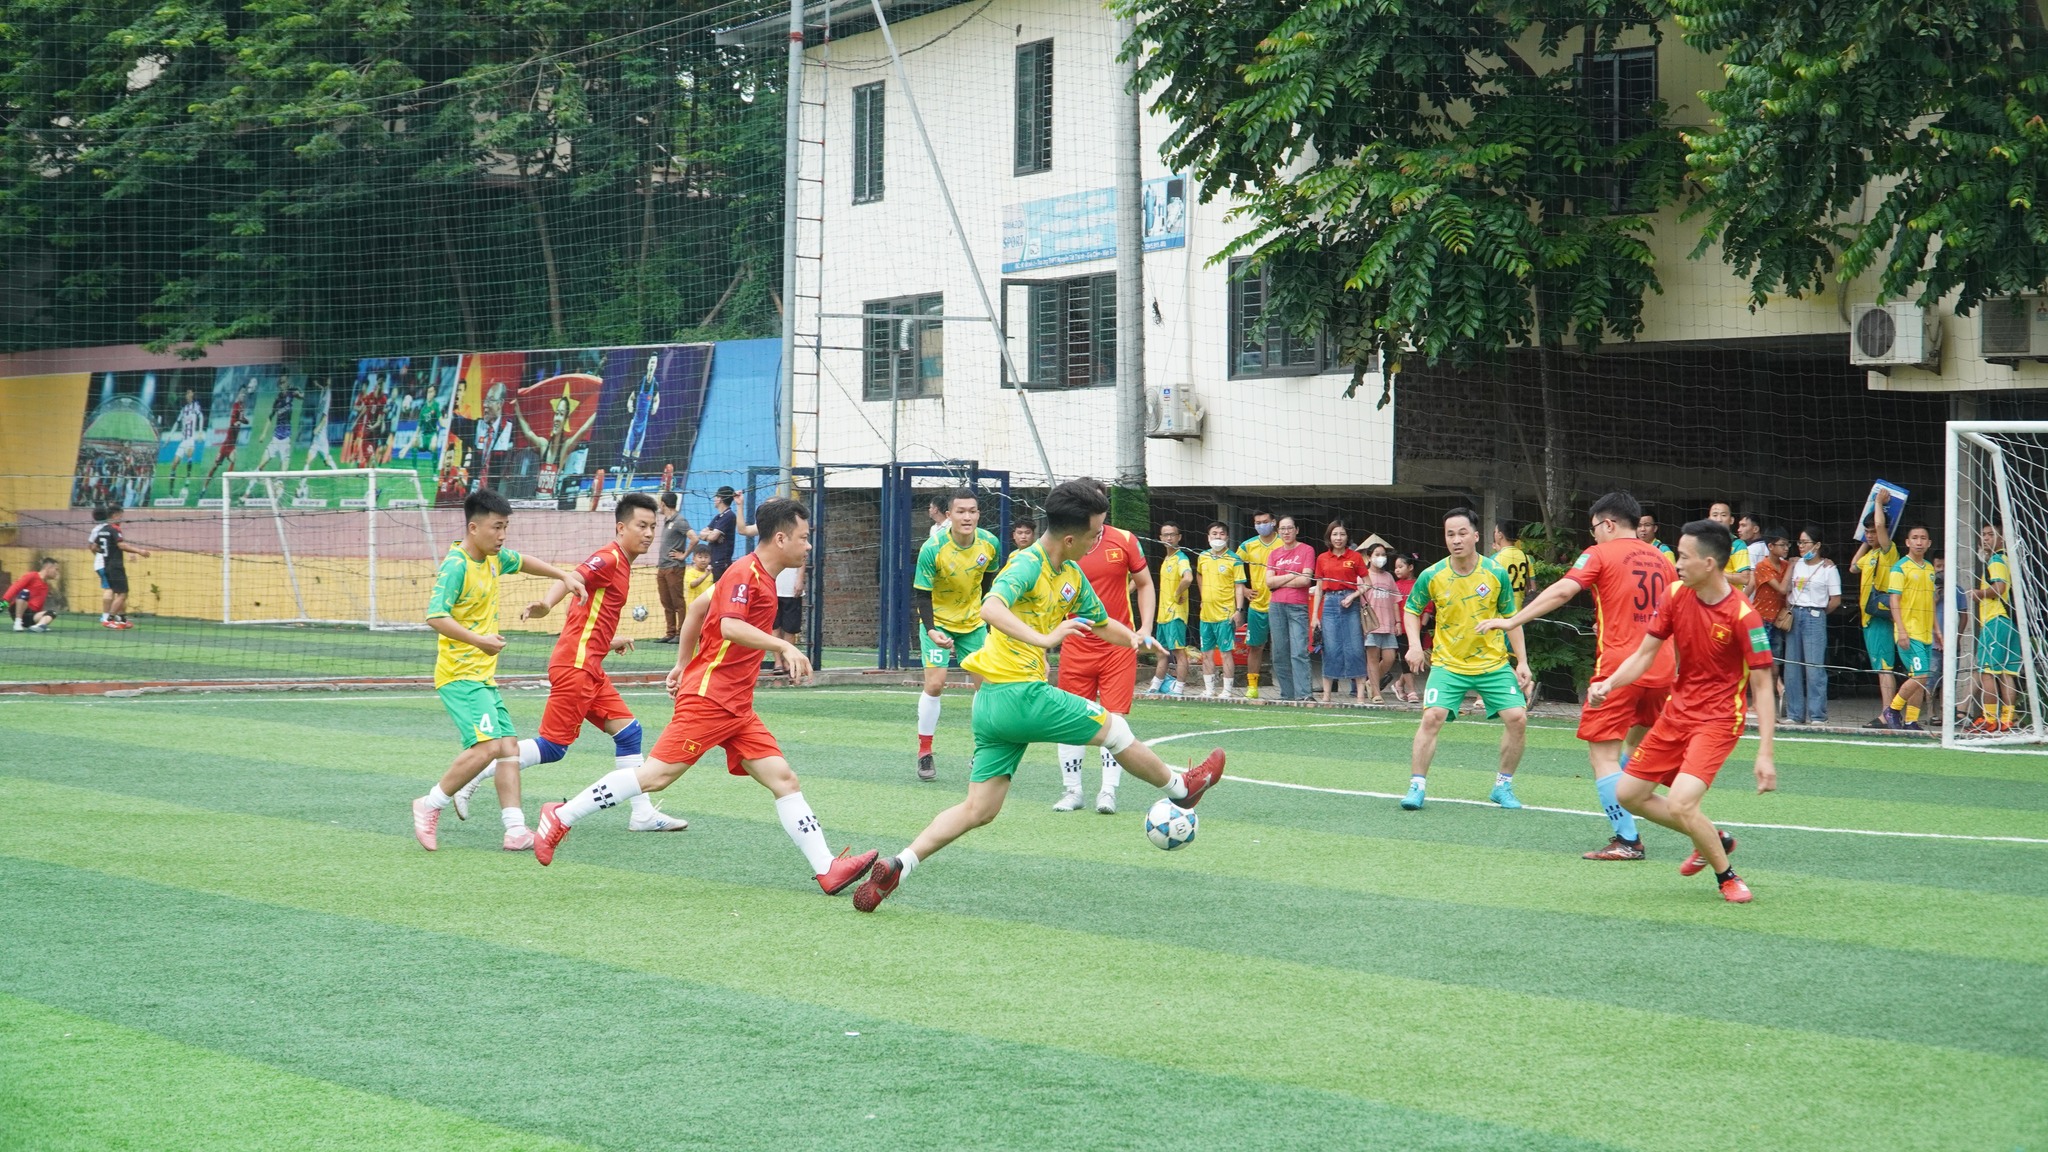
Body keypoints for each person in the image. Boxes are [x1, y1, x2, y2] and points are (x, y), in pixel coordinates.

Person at [850, 479, 1226, 913]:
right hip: (1018, 694)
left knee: (979, 809)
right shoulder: (1025, 564)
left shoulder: (1070, 574)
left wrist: (1139, 639)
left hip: (992, 705)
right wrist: (1045, 638)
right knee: (1115, 727)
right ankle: (1182, 788)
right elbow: (990, 608)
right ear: (1071, 537)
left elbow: (1101, 622)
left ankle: (899, 865)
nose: (1099, 538)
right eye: (1095, 532)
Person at [533, 498, 881, 897]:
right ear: (781, 537)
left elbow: (698, 609)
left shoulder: (757, 575)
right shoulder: (744, 573)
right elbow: (730, 626)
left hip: (736, 706)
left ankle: (827, 868)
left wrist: (682, 664)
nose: (807, 546)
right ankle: (560, 814)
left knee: (785, 779)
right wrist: (782, 647)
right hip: (710, 699)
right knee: (656, 777)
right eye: (804, 538)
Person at [453, 494, 689, 835]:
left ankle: (642, 814)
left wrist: (609, 641)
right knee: (552, 747)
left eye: (653, 526)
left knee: (629, 733)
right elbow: (572, 577)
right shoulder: (608, 558)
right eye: (642, 526)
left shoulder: (623, 563)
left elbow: (586, 616)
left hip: (588, 663)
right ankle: (471, 776)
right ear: (621, 528)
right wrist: (547, 605)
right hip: (576, 666)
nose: (649, 533)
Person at [1589, 518, 1777, 904]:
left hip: (1720, 720)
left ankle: (1727, 875)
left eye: (1683, 556)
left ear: (1709, 563)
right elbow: (1645, 653)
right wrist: (1609, 683)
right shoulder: (1675, 594)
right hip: (1677, 712)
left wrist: (1765, 753)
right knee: (1629, 792)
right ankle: (1713, 836)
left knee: (1681, 802)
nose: (1676, 563)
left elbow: (1763, 684)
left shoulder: (1744, 616)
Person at [1481, 491, 1672, 858]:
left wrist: (1512, 620)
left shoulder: (1599, 554)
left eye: (1595, 528)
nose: (1594, 535)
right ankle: (1685, 815)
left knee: (1601, 758)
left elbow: (1564, 590)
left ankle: (1629, 840)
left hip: (1617, 672)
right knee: (1633, 750)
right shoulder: (1662, 559)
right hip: (1661, 670)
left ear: (1609, 523)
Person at [408, 488, 590, 852]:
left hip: (482, 676)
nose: (502, 535)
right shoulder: (456, 564)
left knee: (509, 747)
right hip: (460, 675)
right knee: (489, 746)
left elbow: (521, 560)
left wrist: (563, 576)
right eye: (496, 528)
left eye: (505, 527)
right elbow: (435, 616)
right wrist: (478, 641)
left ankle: (515, 829)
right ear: (473, 528)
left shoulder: (493, 559)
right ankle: (430, 804)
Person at [1401, 508, 1532, 811]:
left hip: (1493, 663)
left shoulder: (1495, 573)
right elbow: (1411, 609)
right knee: (1432, 717)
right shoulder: (1432, 575)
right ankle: (1416, 786)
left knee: (1518, 718)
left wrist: (1522, 662)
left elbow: (1511, 619)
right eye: (1450, 534)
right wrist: (1414, 645)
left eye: (1462, 533)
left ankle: (1503, 786)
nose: (1456, 540)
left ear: (1476, 536)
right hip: (1448, 664)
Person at [1055, 480, 1160, 813]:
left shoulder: (1125, 539)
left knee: (1114, 719)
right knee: (1070, 719)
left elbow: (1144, 583)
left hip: (1117, 647)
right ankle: (1073, 791)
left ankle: (1108, 792)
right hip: (1075, 644)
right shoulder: (1065, 544)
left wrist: (1144, 628)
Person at [912, 489, 1001, 782]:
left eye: (972, 511)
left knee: (985, 689)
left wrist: (989, 621)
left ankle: (982, 751)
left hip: (974, 623)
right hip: (937, 622)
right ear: (949, 515)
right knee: (935, 685)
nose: (967, 517)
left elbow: (989, 585)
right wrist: (932, 629)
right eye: (960, 511)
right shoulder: (933, 547)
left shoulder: (990, 544)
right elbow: (922, 595)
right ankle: (925, 752)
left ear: (978, 514)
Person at [1852, 492, 1901, 727]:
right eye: (1868, 531)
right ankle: (1890, 712)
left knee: (1884, 668)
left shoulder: (1888, 551)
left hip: (1880, 618)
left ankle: (1887, 713)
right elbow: (1853, 567)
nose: (1872, 535)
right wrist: (1864, 540)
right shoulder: (1871, 554)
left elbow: (1881, 524)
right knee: (1881, 668)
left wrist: (1878, 504)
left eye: (1874, 531)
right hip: (1868, 619)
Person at [1784, 526, 1841, 725]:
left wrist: (1819, 613)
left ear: (1817, 545)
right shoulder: (1795, 564)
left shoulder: (1828, 568)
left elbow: (1835, 599)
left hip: (1814, 615)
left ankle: (1817, 715)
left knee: (1814, 667)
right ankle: (1794, 714)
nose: (1800, 546)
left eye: (1805, 542)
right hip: (1795, 613)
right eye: (1799, 542)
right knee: (1792, 667)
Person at [1884, 525, 1938, 731]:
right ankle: (1893, 709)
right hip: (1909, 632)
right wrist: (1902, 630)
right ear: (1907, 542)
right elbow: (1894, 600)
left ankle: (1911, 721)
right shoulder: (1900, 568)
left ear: (1929, 543)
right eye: (1914, 538)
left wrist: (1938, 631)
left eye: (1923, 538)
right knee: (1921, 674)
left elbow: (1931, 601)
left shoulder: (1930, 569)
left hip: (1925, 633)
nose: (1919, 541)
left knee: (1919, 678)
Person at [1971, 523, 2019, 732]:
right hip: (2009, 622)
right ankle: (2008, 718)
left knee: (1987, 672)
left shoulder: (1997, 559)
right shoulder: (2008, 560)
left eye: (1991, 535)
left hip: (1995, 620)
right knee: (2006, 673)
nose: (1986, 538)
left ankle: (1990, 718)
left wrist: (1977, 593)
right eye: (1983, 535)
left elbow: (1999, 588)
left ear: (2002, 539)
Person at [1314, 522, 1369, 703]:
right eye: (1335, 534)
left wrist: (1353, 596)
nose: (1338, 538)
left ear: (1347, 537)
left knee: (1355, 648)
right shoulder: (1322, 558)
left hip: (1350, 603)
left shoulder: (1355, 557)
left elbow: (1368, 583)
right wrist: (1315, 615)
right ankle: (1327, 695)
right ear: (1329, 537)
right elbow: (1320, 589)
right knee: (1330, 648)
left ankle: (1360, 696)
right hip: (1329, 603)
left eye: (1342, 534)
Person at [1263, 515, 1316, 701]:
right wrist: (1292, 575)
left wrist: (1280, 580)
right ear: (1278, 531)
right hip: (1276, 606)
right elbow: (1269, 583)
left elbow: (1306, 580)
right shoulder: (1274, 553)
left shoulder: (1307, 550)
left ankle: (1304, 695)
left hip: (1297, 606)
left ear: (1297, 530)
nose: (1286, 532)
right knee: (1279, 653)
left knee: (1299, 651)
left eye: (1289, 528)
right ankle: (1287, 694)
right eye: (1282, 529)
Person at [1195, 523, 1247, 698]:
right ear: (1208, 537)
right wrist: (1203, 598)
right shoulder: (1202, 557)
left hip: (1225, 614)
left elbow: (1239, 585)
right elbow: (1199, 575)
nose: (1218, 537)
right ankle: (1209, 689)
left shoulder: (1234, 559)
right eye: (1214, 533)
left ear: (1227, 537)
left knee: (1225, 653)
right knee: (1206, 653)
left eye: (1221, 534)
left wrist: (1239, 609)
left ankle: (1227, 690)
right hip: (1206, 614)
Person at [1147, 522, 1196, 696]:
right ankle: (1156, 685)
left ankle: (1179, 689)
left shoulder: (1181, 558)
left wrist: (1177, 594)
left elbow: (1188, 578)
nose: (1169, 538)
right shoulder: (1166, 559)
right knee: (1161, 652)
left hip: (1175, 614)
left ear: (1179, 537)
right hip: (1163, 614)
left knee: (1178, 651)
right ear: (1160, 538)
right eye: (1165, 535)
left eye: (1172, 534)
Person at [1235, 509, 1278, 697]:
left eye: (1265, 521)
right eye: (1258, 522)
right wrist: (1243, 589)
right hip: (1257, 604)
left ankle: (1288, 686)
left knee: (1284, 648)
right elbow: (1232, 567)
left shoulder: (1283, 543)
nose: (1262, 525)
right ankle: (1252, 686)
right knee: (1255, 646)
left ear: (1274, 522)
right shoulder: (1247, 545)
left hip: (1280, 603)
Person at [1751, 532, 1793, 714]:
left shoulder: (1784, 565)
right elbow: (1783, 588)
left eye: (1787, 545)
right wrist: (1792, 566)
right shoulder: (1763, 566)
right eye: (1782, 545)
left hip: (1777, 621)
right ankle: (1758, 703)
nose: (1786, 549)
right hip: (1760, 620)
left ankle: (1771, 700)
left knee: (1775, 664)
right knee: (1759, 663)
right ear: (1770, 546)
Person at [88, 508, 149, 629]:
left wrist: (105, 552)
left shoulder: (102, 530)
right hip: (116, 566)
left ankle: (121, 620)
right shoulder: (114, 529)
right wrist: (139, 551)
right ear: (114, 515)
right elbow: (121, 545)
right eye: (120, 516)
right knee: (122, 594)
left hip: (106, 565)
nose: (122, 519)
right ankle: (109, 619)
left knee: (117, 593)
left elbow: (94, 547)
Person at [653, 492, 697, 643]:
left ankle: (680, 633)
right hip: (663, 566)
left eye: (660, 503)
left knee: (677, 601)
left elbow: (694, 538)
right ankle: (670, 632)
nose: (659, 505)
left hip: (674, 567)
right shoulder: (667, 520)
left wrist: (684, 556)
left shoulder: (679, 520)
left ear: (664, 503)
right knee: (666, 601)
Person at [1362, 541, 1402, 703]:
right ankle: (1376, 693)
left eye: (1383, 555)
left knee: (1389, 658)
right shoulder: (1363, 576)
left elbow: (1395, 600)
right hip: (1372, 624)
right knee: (1372, 658)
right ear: (1369, 557)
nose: (1381, 558)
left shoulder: (1389, 577)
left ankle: (1371, 683)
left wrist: (1398, 622)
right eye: (1377, 554)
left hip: (1388, 624)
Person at [700, 486, 756, 579]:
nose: (714, 499)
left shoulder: (729, 515)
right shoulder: (719, 517)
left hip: (721, 563)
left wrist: (711, 534)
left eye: (716, 496)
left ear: (720, 499)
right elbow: (702, 534)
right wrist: (711, 534)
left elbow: (712, 537)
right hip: (714, 561)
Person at [1391, 552, 1423, 702]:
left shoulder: (1419, 584)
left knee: (1416, 659)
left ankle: (1399, 684)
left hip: (1418, 628)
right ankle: (1412, 692)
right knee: (1405, 658)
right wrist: (1396, 623)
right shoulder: (1394, 586)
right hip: (1402, 629)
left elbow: (1427, 606)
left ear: (1410, 567)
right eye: (1395, 567)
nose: (1396, 570)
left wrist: (1422, 625)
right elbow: (1393, 606)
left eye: (1400, 566)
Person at [1707, 502, 1753, 595]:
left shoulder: (1737, 545)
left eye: (1723, 515)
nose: (1719, 519)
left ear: (1731, 520)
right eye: (1715, 515)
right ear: (1709, 520)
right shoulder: (1702, 543)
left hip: (1729, 601)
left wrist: (1716, 574)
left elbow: (1745, 578)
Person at [772, 554, 806, 676]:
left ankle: (787, 661)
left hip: (790, 589)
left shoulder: (796, 539)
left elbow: (802, 558)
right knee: (774, 627)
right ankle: (778, 663)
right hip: (772, 588)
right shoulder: (769, 539)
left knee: (790, 629)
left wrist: (799, 579)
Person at [7, 557, 60, 632]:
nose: (57, 572)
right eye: (56, 569)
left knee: (52, 613)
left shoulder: (46, 586)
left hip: (31, 616)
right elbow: (14, 587)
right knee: (25, 592)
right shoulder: (32, 575)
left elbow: (39, 604)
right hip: (18, 610)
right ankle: (17, 623)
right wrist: (3, 603)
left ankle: (39, 625)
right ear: (48, 568)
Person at [1491, 522, 1534, 610]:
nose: (1494, 534)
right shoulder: (1526, 558)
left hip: (1502, 612)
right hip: (1521, 612)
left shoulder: (1495, 559)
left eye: (1495, 531)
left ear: (1500, 535)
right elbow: (1532, 587)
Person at [170, 388, 207, 486]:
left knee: (189, 456)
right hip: (183, 441)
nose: (187, 395)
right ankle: (170, 491)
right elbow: (177, 422)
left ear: (192, 395)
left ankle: (188, 477)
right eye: (186, 393)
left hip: (191, 439)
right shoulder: (183, 409)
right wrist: (170, 436)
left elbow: (201, 417)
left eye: (189, 393)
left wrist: (199, 432)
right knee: (174, 464)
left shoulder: (195, 406)